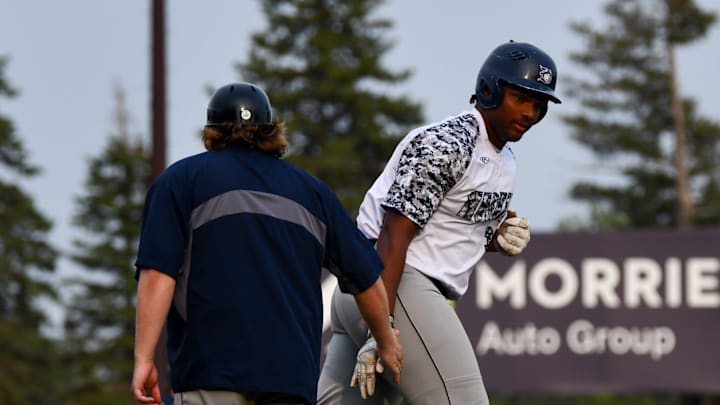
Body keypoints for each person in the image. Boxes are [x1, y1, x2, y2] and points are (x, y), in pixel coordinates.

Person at [317, 40, 561, 404]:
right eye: (521, 97)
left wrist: (491, 237)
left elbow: (442, 223)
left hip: (371, 287)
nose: (530, 111)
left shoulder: (503, 156)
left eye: (539, 104)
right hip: (391, 285)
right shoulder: (448, 142)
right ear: (489, 89)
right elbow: (393, 235)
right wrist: (381, 326)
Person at [131, 82, 402, 405]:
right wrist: (385, 342)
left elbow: (158, 274)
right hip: (290, 379)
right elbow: (367, 280)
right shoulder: (313, 193)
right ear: (270, 130)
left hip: (211, 370)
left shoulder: (180, 181)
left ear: (212, 131)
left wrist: (144, 360)